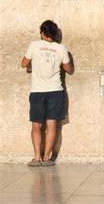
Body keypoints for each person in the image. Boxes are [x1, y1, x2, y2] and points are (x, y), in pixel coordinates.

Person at [21, 20, 73, 167]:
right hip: (55, 91)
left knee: (36, 126)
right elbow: (69, 68)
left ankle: (37, 157)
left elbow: (24, 63)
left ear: (42, 33)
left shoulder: (34, 45)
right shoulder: (61, 48)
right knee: (52, 125)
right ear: (55, 34)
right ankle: (47, 157)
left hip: (37, 91)